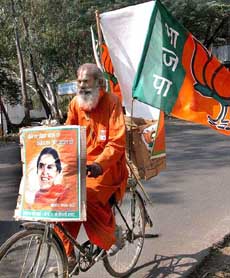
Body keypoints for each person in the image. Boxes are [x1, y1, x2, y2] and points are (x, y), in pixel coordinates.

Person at [55, 63, 128, 268]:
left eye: (86, 81)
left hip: (107, 166)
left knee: (88, 194)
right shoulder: (75, 104)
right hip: (81, 165)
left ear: (98, 82)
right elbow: (67, 135)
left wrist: (99, 164)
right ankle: (67, 254)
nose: (81, 85)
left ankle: (111, 236)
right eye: (79, 81)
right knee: (60, 198)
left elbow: (117, 142)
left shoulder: (112, 102)